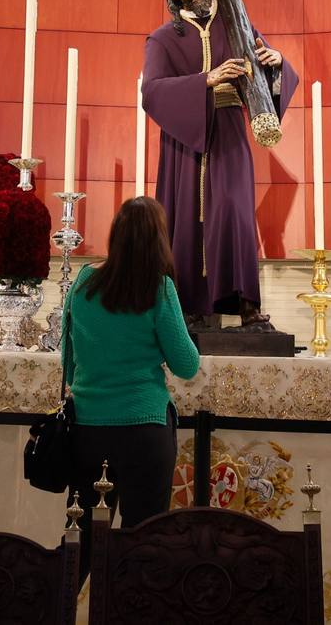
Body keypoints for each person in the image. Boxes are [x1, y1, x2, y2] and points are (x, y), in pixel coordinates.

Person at [140, 0, 298, 330]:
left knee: (235, 213)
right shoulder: (163, 39)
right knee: (186, 219)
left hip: (228, 132)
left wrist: (277, 64)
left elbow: (263, 68)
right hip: (184, 141)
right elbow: (153, 90)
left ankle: (246, 306)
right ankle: (188, 311)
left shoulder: (236, 22)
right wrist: (206, 80)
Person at [61, 197, 200, 587]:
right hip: (144, 429)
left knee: (81, 539)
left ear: (116, 234)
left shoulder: (85, 281)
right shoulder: (159, 289)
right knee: (142, 542)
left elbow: (67, 359)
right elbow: (187, 365)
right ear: (159, 239)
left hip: (88, 429)